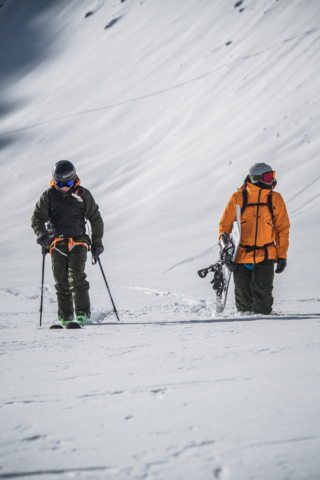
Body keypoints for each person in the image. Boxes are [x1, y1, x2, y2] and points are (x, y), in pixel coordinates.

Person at [31, 160, 104, 325]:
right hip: (56, 243)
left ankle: (82, 314)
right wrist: (42, 234)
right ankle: (65, 317)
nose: (64, 187)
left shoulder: (83, 194)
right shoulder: (48, 196)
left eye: (68, 183)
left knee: (76, 277)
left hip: (79, 241)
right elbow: (37, 217)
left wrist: (97, 242)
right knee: (61, 281)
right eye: (60, 184)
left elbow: (95, 218)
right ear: (54, 181)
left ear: (75, 178)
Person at [219, 163, 290, 315]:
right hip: (241, 255)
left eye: (272, 176)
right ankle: (245, 331)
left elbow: (282, 229)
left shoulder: (275, 199)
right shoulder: (237, 198)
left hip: (266, 254)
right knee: (243, 300)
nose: (272, 180)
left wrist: (282, 255)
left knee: (263, 299)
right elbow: (225, 227)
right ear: (257, 179)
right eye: (268, 177)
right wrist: (226, 255)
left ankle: (264, 330)